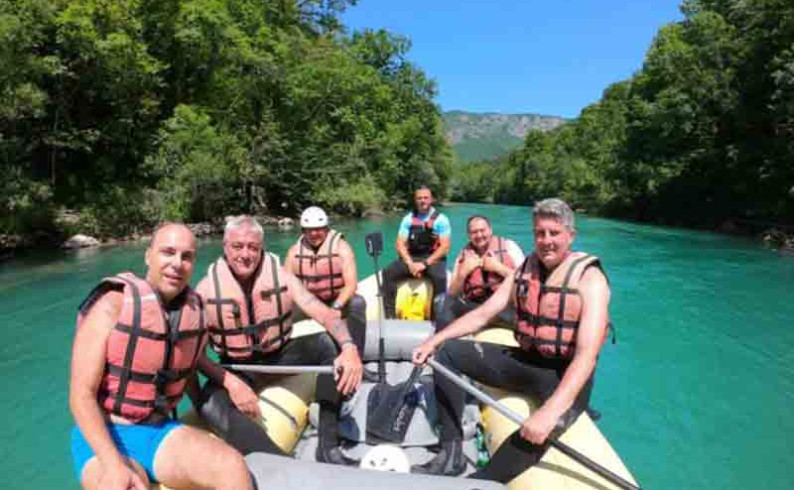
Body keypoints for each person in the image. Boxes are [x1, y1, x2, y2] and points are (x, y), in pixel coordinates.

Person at [412, 198, 611, 483]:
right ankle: (452, 450)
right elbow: (483, 314)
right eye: (540, 233)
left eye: (554, 233)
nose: (546, 241)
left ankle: (481, 481)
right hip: (526, 359)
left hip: (564, 374)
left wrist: (549, 413)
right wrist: (436, 340)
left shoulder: (590, 279)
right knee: (448, 353)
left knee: (536, 432)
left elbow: (587, 355)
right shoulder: (525, 269)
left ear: (571, 236)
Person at [69, 223, 252, 490]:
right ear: (148, 256)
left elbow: (188, 364)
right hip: (104, 435)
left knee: (231, 466)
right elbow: (80, 394)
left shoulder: (193, 312)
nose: (177, 264)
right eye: (168, 252)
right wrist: (113, 464)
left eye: (186, 256)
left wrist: (229, 384)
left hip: (158, 432)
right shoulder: (111, 305)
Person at [195, 215, 364, 465]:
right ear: (225, 247)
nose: (246, 254)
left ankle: (328, 444)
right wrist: (230, 381)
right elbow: (192, 355)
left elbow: (325, 313)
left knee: (330, 343)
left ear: (261, 248)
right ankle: (279, 462)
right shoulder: (205, 291)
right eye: (238, 246)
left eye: (253, 247)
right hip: (237, 367)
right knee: (208, 403)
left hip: (281, 354)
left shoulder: (281, 277)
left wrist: (349, 349)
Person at [285, 206, 367, 351]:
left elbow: (351, 285)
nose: (314, 233)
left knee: (357, 303)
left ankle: (357, 354)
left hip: (336, 301)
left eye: (318, 229)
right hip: (308, 303)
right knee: (279, 311)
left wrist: (336, 307)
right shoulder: (293, 252)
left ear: (327, 229)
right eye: (309, 230)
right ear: (303, 231)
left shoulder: (342, 247)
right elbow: (285, 286)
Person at [436, 215, 524, 331]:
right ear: (469, 235)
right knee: (441, 302)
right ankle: (442, 344)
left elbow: (525, 284)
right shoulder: (463, 255)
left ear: (490, 230)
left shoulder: (510, 247)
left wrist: (498, 268)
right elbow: (452, 294)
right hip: (475, 307)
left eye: (482, 230)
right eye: (474, 232)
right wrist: (463, 273)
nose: (479, 235)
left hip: (504, 308)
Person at [382, 185, 451, 319]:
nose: (422, 201)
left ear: (431, 200)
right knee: (387, 273)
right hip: (412, 258)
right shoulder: (408, 219)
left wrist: (425, 264)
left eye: (426, 198)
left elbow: (445, 247)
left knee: (440, 278)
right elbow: (400, 244)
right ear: (415, 200)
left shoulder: (441, 219)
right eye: (419, 198)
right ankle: (390, 316)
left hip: (433, 259)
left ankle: (436, 318)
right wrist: (410, 263)